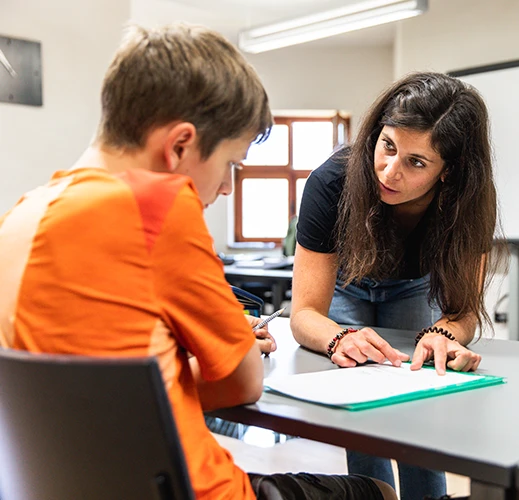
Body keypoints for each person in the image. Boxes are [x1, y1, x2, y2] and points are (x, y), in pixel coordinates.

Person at [0, 23, 396, 500]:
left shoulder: (22, 214)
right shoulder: (155, 206)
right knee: (375, 490)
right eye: (230, 164)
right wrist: (224, 344)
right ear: (180, 146)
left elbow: (95, 390)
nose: (227, 187)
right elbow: (244, 381)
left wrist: (173, 359)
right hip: (191, 490)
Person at [291, 71, 505, 500]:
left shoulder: (467, 203)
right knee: (363, 411)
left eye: (416, 162)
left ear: (449, 172)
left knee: (417, 410)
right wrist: (340, 339)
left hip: (413, 287)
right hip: (346, 285)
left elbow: (462, 312)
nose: (389, 171)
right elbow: (305, 314)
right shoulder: (330, 183)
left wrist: (444, 336)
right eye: (387, 146)